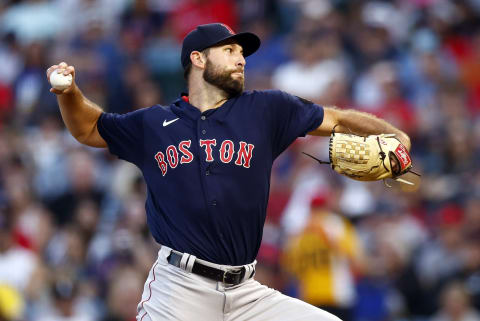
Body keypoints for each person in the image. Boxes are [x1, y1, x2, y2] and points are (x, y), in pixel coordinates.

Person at [46, 23, 411, 321]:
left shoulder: (266, 110)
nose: (241, 59)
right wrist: (69, 93)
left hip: (247, 293)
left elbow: (336, 119)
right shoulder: (154, 124)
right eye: (230, 51)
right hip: (179, 289)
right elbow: (88, 128)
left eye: (243, 54)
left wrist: (395, 137)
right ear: (198, 59)